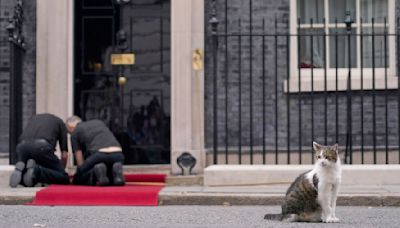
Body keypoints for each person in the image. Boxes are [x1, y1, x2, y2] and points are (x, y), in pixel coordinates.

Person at [9, 113, 70, 187]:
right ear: (69, 125)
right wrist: (61, 170)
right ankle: (36, 171)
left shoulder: (33, 119)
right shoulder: (61, 123)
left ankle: (21, 171)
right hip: (41, 147)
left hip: (22, 146)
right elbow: (64, 154)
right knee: (64, 177)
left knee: (28, 176)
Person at [65, 116, 125, 186]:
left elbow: (79, 159)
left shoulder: (75, 132)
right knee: (107, 169)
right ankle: (117, 174)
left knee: (80, 175)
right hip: (118, 154)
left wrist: (79, 173)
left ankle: (96, 174)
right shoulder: (98, 122)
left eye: (68, 131)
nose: (69, 133)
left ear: (70, 126)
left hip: (99, 155)